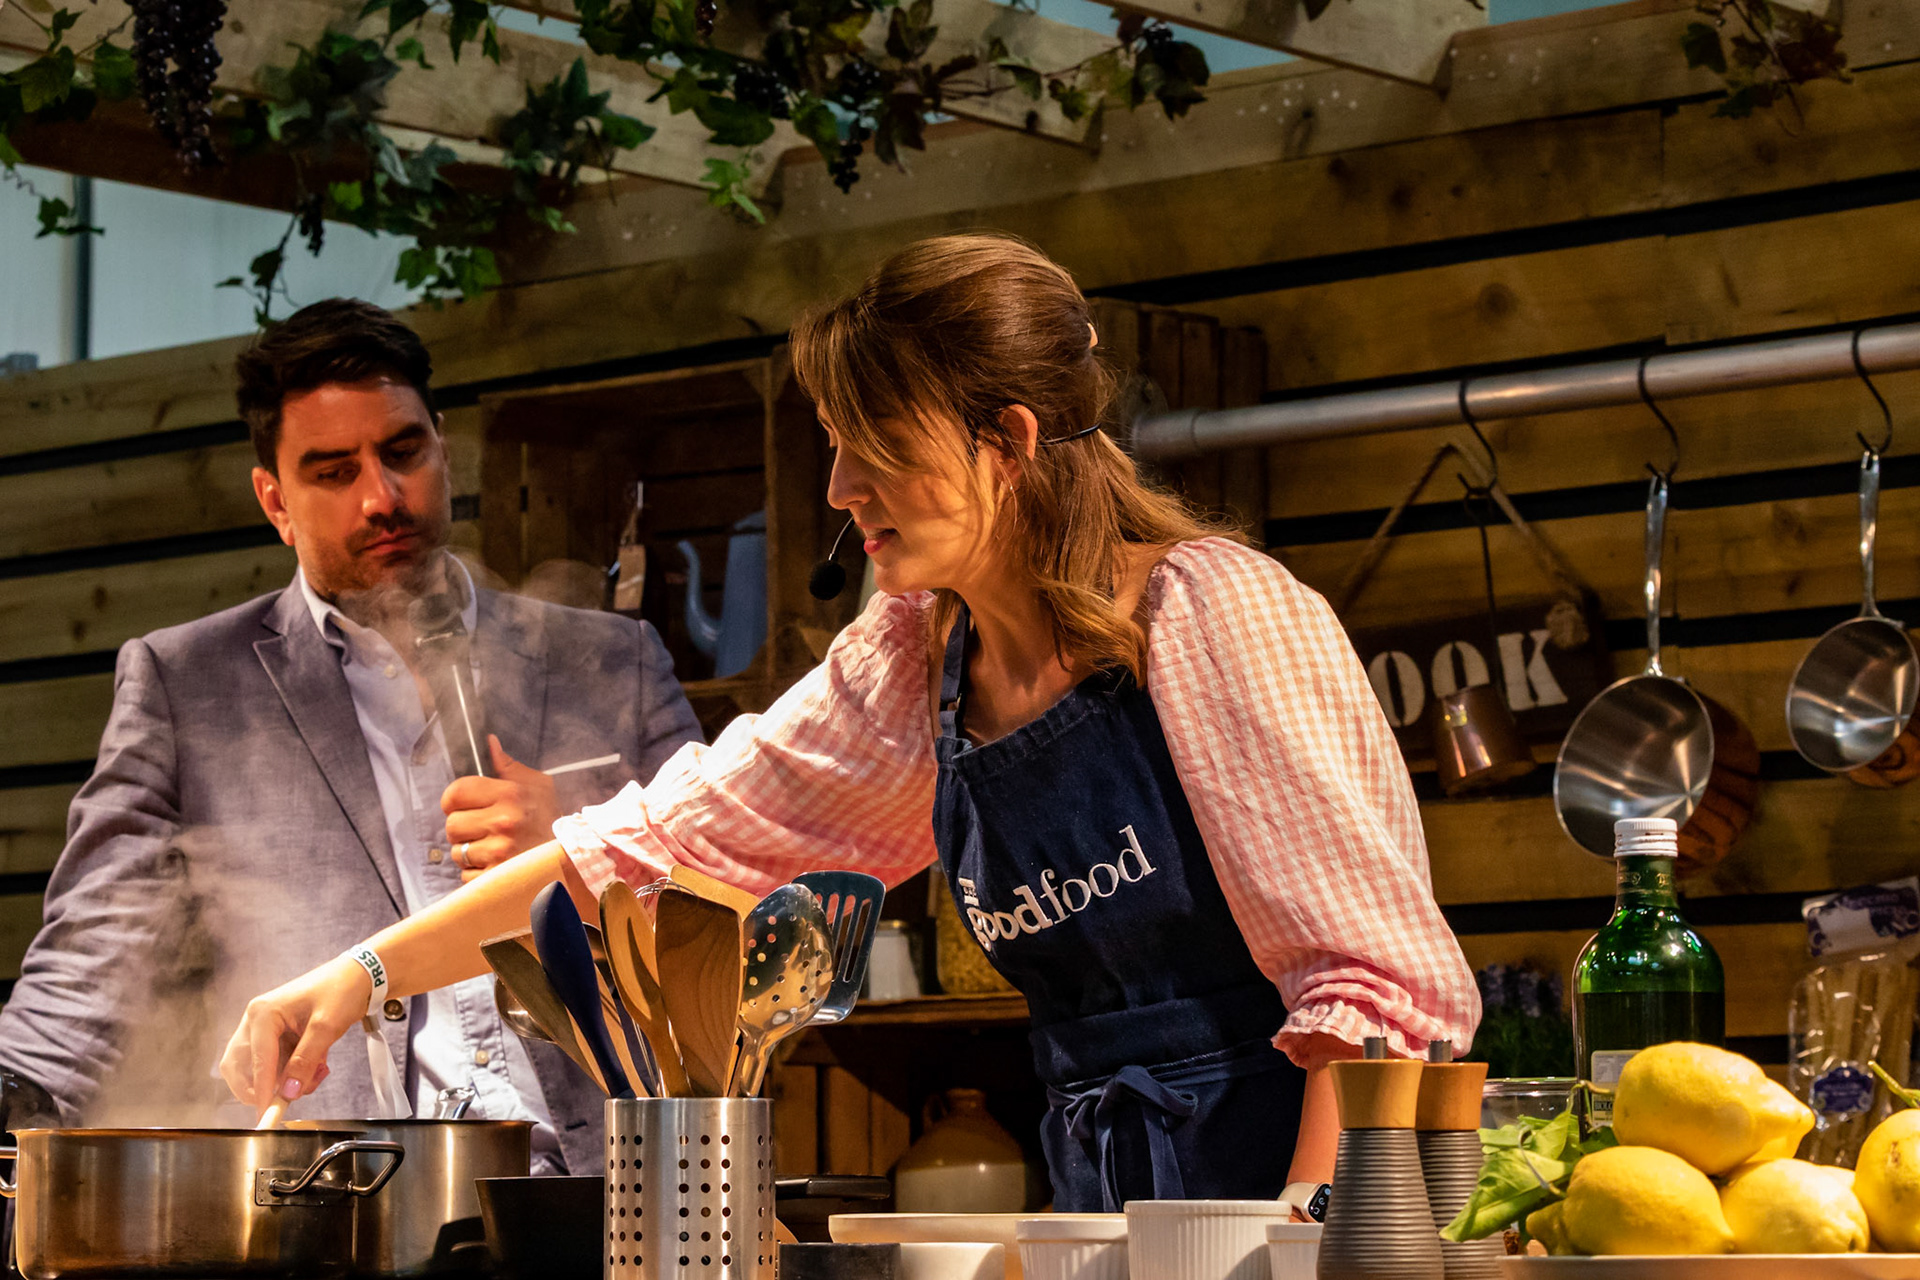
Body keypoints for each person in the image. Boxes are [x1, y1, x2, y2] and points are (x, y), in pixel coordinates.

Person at [219, 238, 1478, 1209]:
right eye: (833, 446)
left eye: (874, 446)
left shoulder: (1211, 616)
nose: (838, 489)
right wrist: (356, 975)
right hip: (1103, 1201)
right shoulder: (916, 656)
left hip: (1308, 1201)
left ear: (1011, 441)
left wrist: (1312, 1232)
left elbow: (1375, 994)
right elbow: (648, 853)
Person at [0, 299, 701, 1175]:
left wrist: (593, 856)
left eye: (402, 452)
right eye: (332, 472)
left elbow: (733, 924)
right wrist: (14, 1091)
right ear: (275, 501)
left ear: (442, 445)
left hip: (606, 1192)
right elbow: (94, 953)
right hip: (337, 1198)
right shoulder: (188, 685)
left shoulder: (616, 660)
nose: (383, 498)